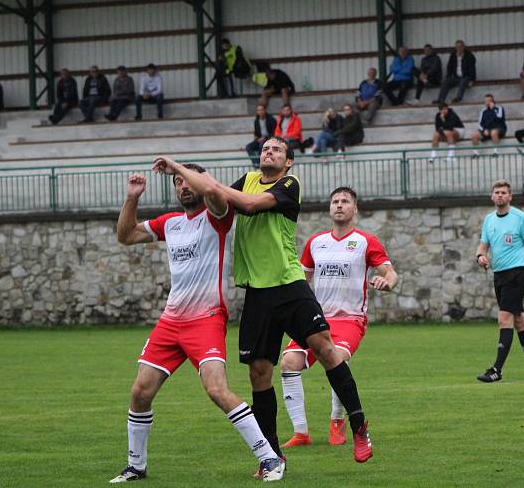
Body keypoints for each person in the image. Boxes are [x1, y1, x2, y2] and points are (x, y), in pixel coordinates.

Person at [152, 137, 375, 467]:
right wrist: (196, 182)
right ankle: (272, 454)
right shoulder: (247, 179)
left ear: (288, 162)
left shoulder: (289, 184)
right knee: (259, 373)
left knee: (325, 349)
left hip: (289, 285)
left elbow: (247, 204)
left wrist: (182, 170)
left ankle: (358, 426)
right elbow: (218, 198)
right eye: (266, 148)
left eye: (277, 150)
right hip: (257, 292)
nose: (268, 152)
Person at [111, 165, 284, 483]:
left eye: (188, 181)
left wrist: (178, 165)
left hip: (205, 319)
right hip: (170, 321)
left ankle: (270, 458)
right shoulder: (171, 223)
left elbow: (215, 195)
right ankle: (136, 466)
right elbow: (125, 236)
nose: (182, 186)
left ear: (200, 183)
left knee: (217, 389)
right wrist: (132, 198)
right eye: (177, 183)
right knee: (140, 392)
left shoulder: (218, 215)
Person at [280, 187, 397, 447]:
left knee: (336, 358)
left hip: (350, 320)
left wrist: (387, 282)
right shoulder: (316, 242)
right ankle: (301, 433)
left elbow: (391, 274)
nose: (340, 205)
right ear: (329, 208)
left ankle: (337, 420)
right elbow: (301, 279)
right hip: (316, 318)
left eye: (345, 201)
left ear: (355, 209)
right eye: (335, 201)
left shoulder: (366, 240)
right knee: (288, 362)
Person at [475, 180, 524, 383]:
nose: (500, 195)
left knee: (504, 318)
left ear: (510, 196)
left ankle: (496, 370)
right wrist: (480, 257)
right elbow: (482, 246)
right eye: (496, 192)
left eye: (504, 192)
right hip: (499, 274)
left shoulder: (520, 218)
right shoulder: (489, 220)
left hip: (517, 273)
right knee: (519, 321)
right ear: (492, 196)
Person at [434, 40, 476, 104]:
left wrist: (472, 80)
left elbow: (472, 68)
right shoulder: (453, 55)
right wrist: (448, 76)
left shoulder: (469, 56)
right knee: (446, 82)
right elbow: (449, 67)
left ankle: (458, 99)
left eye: (460, 47)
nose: (459, 48)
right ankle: (440, 100)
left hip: (465, 76)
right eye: (457, 47)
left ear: (464, 47)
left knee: (463, 81)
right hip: (456, 77)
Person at [246, 104, 276, 168]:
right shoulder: (256, 121)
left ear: (265, 110)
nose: (260, 112)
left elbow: (274, 132)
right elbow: (256, 133)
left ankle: (260, 162)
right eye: (258, 110)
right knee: (248, 147)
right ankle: (256, 162)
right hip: (260, 139)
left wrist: (265, 137)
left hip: (269, 139)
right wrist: (256, 138)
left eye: (261, 110)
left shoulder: (271, 119)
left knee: (261, 145)